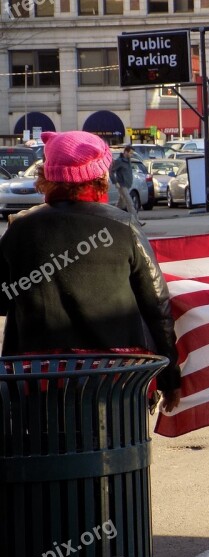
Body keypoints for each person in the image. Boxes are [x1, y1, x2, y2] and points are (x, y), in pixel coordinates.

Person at [0, 131, 181, 413]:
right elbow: (157, 307)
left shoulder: (19, 228)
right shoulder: (124, 227)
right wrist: (170, 379)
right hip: (117, 386)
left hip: (36, 387)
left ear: (48, 176)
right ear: (99, 176)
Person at [109, 145, 143, 226]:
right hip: (122, 185)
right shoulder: (119, 161)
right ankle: (136, 222)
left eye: (132, 153)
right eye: (130, 153)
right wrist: (115, 182)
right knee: (129, 203)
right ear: (126, 152)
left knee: (120, 204)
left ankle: (112, 219)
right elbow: (110, 170)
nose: (131, 155)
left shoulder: (128, 161)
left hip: (127, 185)